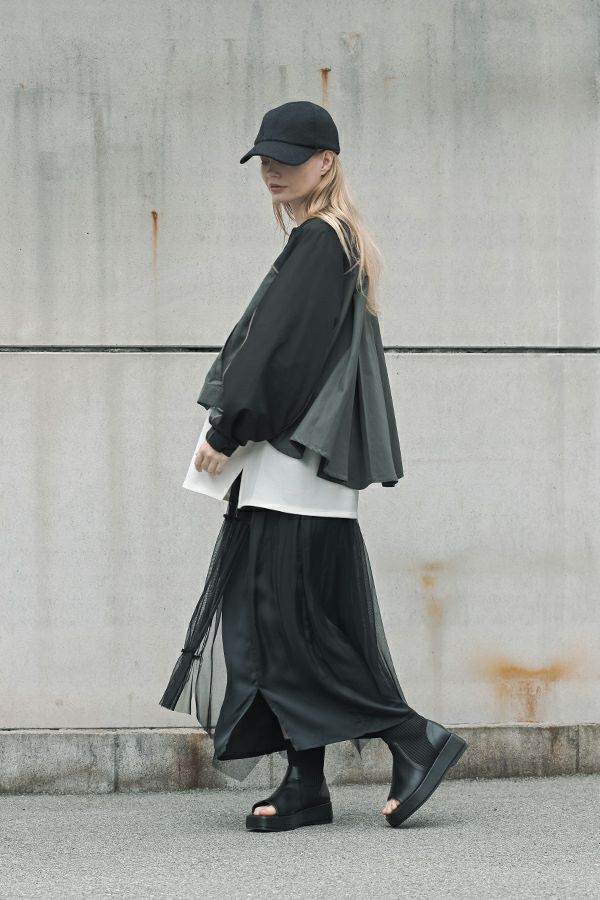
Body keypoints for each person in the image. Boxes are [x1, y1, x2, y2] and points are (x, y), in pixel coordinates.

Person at [159, 100, 467, 831]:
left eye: (289, 159)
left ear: (327, 162)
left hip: (289, 471)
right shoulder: (337, 240)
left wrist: (228, 429)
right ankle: (306, 784)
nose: (274, 170)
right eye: (266, 159)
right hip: (303, 476)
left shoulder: (320, 241)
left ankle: (413, 736)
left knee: (287, 631)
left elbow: (282, 354)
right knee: (292, 626)